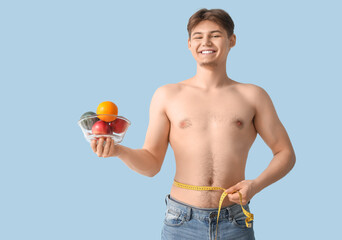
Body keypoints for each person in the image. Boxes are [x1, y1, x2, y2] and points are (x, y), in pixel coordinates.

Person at [90, 8, 296, 240]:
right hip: (181, 222)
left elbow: (285, 153)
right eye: (198, 36)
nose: (205, 42)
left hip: (235, 221)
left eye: (215, 35)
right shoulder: (167, 95)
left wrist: (255, 186)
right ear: (189, 44)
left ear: (232, 40)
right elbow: (152, 163)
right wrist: (118, 150)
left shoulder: (253, 96)